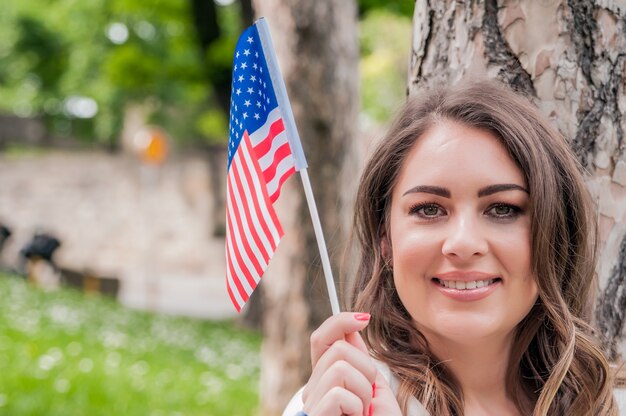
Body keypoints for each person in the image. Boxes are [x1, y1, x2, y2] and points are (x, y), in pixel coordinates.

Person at [283, 80, 619, 415]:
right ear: (385, 239)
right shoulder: (338, 404)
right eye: (429, 209)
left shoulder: (606, 403)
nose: (463, 244)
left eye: (502, 208)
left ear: (555, 233)